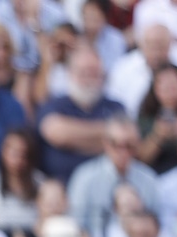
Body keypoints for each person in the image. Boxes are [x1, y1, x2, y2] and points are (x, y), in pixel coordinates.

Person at [38, 44, 127, 180]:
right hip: (61, 185)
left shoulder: (115, 107)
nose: (88, 78)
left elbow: (124, 139)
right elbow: (58, 134)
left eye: (94, 72)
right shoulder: (55, 104)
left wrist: (73, 139)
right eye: (83, 72)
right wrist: (106, 138)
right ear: (70, 73)